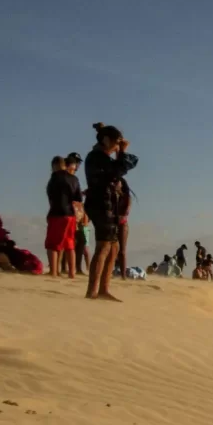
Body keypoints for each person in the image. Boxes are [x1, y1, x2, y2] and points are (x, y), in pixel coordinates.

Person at [84, 122, 138, 301]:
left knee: (113, 247)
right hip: (100, 204)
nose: (117, 147)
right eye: (115, 143)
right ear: (107, 140)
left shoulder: (101, 156)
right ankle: (92, 291)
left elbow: (131, 163)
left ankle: (103, 289)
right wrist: (121, 152)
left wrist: (119, 151)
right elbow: (119, 168)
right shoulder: (96, 157)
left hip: (108, 205)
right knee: (104, 245)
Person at [45, 155, 83, 279]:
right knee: (69, 244)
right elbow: (78, 199)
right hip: (70, 215)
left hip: (57, 213)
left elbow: (51, 197)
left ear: (54, 166)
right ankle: (72, 273)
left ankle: (53, 272)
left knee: (52, 244)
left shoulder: (54, 178)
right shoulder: (74, 179)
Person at [115, 177, 133, 281]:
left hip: (122, 225)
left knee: (121, 251)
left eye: (117, 182)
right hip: (113, 224)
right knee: (111, 250)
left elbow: (126, 212)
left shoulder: (126, 197)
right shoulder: (113, 196)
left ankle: (123, 276)